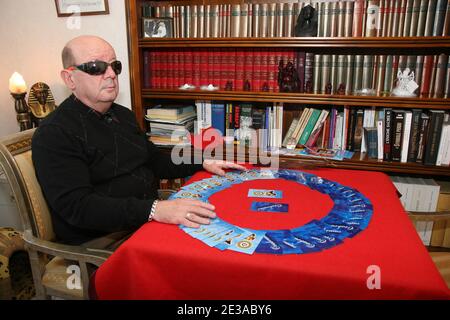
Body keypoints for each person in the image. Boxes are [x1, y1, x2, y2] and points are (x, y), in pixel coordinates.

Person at [32, 35, 245, 245]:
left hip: (143, 220)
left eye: (114, 66)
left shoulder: (122, 115)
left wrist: (202, 161)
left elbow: (155, 162)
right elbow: (79, 208)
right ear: (69, 78)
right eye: (96, 67)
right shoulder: (54, 133)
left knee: (228, 222)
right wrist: (155, 210)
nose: (111, 74)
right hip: (101, 239)